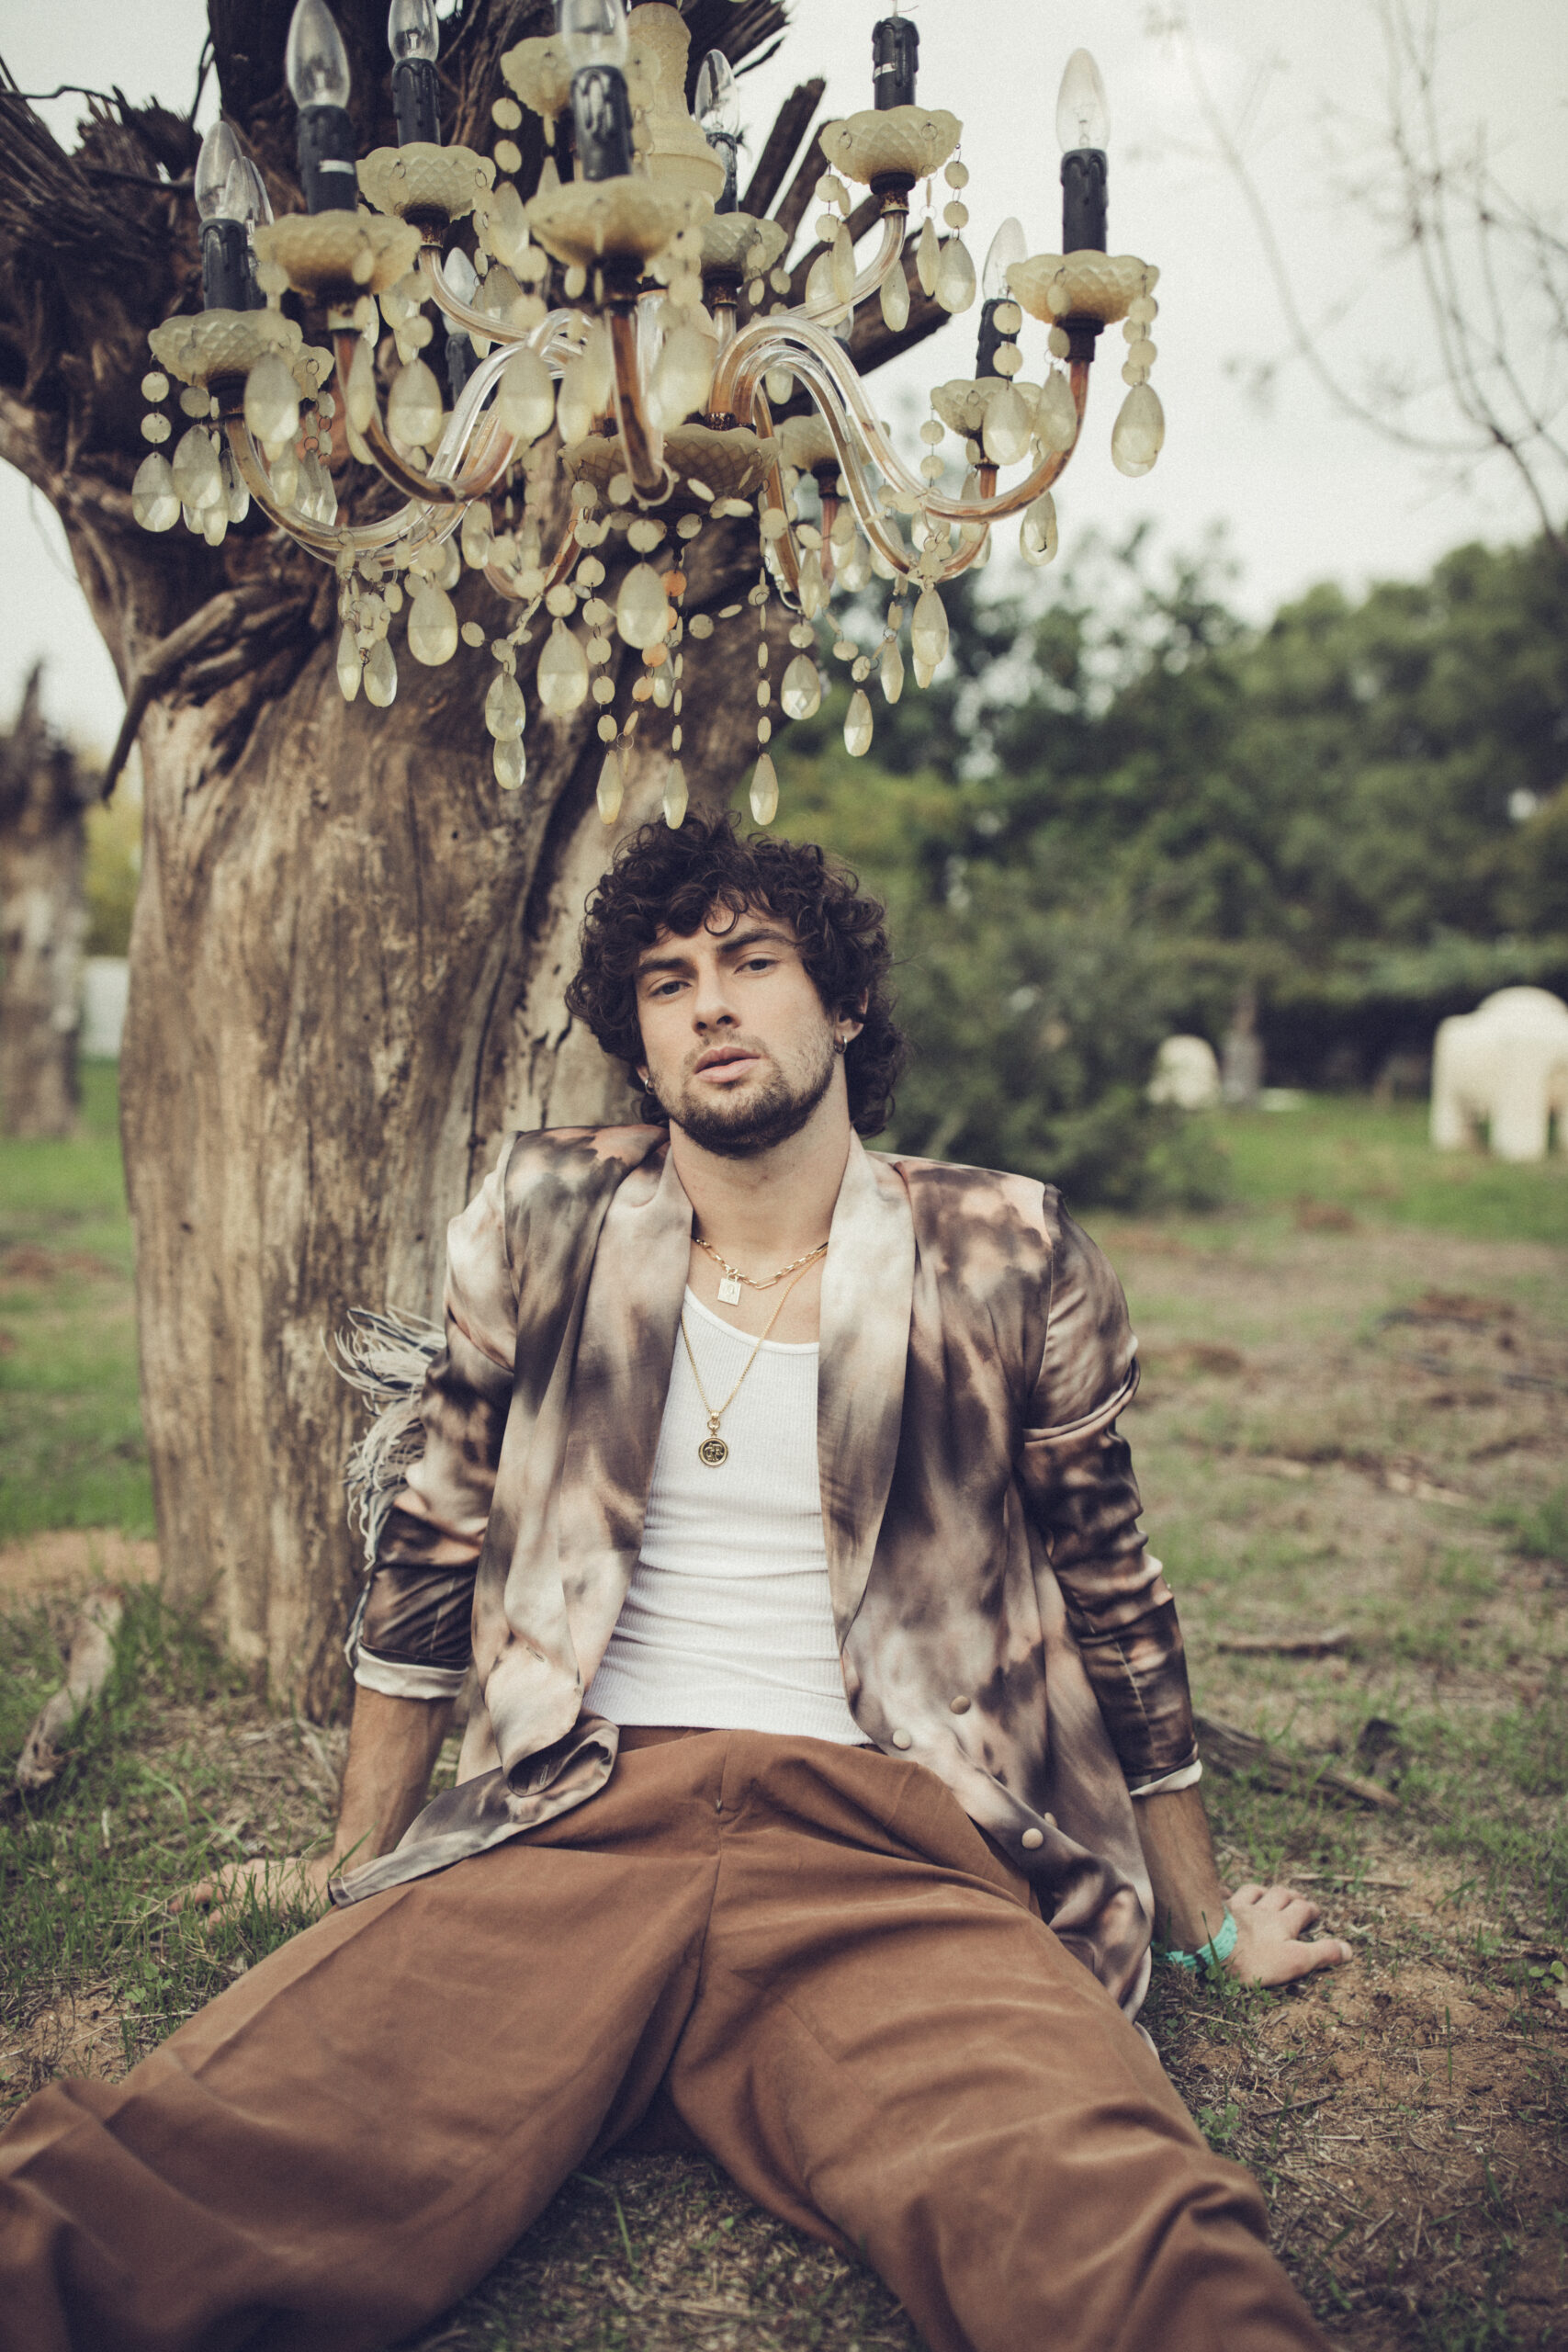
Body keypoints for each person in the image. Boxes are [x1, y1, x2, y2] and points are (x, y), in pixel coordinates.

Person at [0, 815, 1350, 2352]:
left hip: (903, 1851)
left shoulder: (1004, 1247)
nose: (709, 1003)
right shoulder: (545, 1215)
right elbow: (432, 1541)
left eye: (751, 963)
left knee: (1114, 2221)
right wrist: (359, 1871)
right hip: (577, 1820)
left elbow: (1116, 1589)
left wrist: (1202, 1923)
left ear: (844, 1003)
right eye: (666, 981)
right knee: (178, 2171)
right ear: (638, 1044)